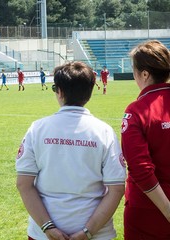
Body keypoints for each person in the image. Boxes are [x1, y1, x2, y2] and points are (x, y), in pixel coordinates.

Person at [16, 61, 126, 240]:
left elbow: (23, 184)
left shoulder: (37, 129)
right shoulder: (105, 132)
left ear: (59, 91)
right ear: (90, 93)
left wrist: (48, 227)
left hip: (43, 235)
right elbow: (117, 189)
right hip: (97, 235)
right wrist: (87, 232)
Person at [121, 40, 170, 240]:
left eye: (134, 70)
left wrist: (167, 210)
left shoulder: (136, 111)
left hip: (149, 211)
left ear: (144, 74)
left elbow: (140, 168)